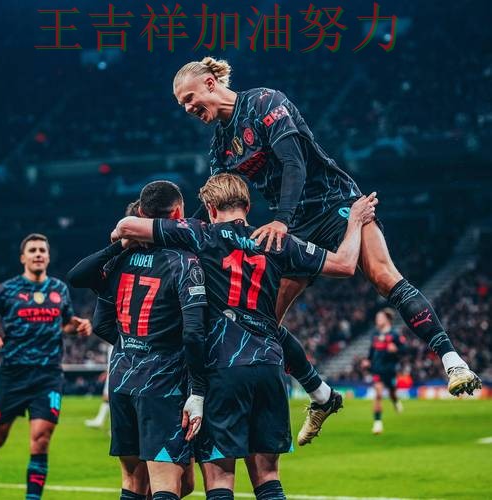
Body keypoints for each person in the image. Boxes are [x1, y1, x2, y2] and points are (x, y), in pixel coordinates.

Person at [172, 57, 481, 398]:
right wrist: (179, 233)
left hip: (336, 203)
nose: (187, 108)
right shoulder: (220, 144)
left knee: (383, 276)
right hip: (295, 224)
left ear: (210, 84)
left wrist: (282, 220)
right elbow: (214, 200)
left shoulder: (264, 102)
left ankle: (454, 362)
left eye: (189, 98)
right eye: (182, 104)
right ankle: (319, 395)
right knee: (263, 319)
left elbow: (294, 163)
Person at [112, 173, 377, 498]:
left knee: (220, 479)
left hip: (223, 367)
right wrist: (355, 221)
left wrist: (124, 238)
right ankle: (319, 391)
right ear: (248, 206)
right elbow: (346, 264)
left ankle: (320, 391)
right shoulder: (276, 240)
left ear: (210, 208)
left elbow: (127, 225)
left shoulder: (200, 233)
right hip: (269, 367)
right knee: (268, 477)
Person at [68, 183, 204, 500]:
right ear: (178, 214)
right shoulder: (183, 260)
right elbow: (194, 332)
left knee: (136, 481)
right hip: (163, 379)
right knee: (169, 482)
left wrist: (132, 344)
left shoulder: (121, 260)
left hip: (123, 377)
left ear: (141, 214)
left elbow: (89, 301)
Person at [0, 233, 92, 500]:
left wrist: (78, 325)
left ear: (48, 257)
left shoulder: (59, 289)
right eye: (33, 250)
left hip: (48, 375)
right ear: (23, 257)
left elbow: (66, 323)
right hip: (13, 374)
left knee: (41, 439)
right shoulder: (6, 290)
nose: (38, 254)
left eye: (42, 250)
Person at [361, 308, 406, 434]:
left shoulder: (395, 335)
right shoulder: (375, 335)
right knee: (378, 394)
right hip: (377, 369)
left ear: (387, 319)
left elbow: (405, 350)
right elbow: (372, 351)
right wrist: (367, 360)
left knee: (392, 392)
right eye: (377, 318)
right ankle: (377, 423)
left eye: (380, 318)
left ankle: (395, 401)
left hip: (390, 369)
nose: (377, 320)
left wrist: (396, 349)